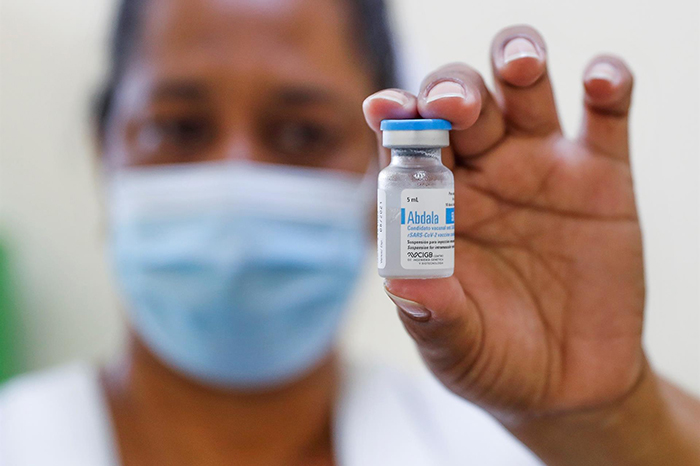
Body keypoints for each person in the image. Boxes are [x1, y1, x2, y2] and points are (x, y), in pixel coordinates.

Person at [1, 0, 699, 464]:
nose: (238, 173)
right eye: (178, 128)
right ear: (103, 151)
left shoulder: (501, 451)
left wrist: (612, 421)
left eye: (303, 134)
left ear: (383, 175)